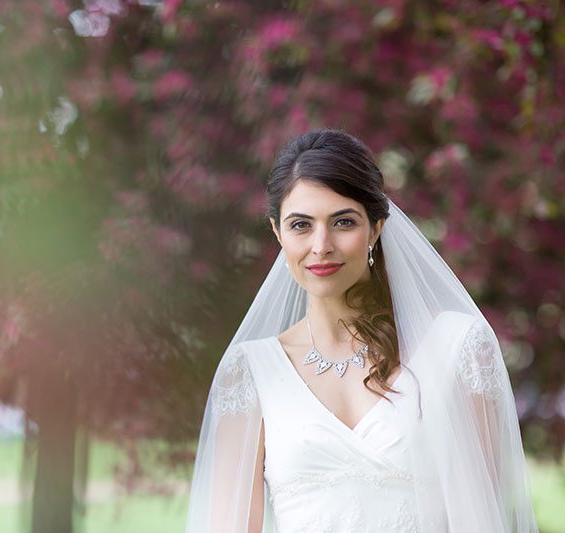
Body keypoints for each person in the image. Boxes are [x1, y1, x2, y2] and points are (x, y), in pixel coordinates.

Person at [185, 129, 538, 532]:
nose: (321, 245)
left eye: (343, 222)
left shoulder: (456, 348)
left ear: (375, 228)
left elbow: (482, 520)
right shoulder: (250, 372)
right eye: (301, 225)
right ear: (277, 233)